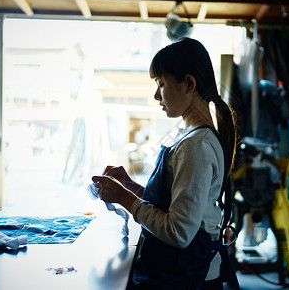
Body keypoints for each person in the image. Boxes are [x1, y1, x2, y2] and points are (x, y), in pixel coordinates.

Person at [92, 37, 238, 290]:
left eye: (161, 84)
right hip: (182, 273)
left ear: (189, 84)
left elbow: (179, 232)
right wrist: (128, 186)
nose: (156, 94)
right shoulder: (192, 136)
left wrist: (126, 199)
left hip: (190, 280)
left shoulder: (196, 146)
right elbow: (174, 204)